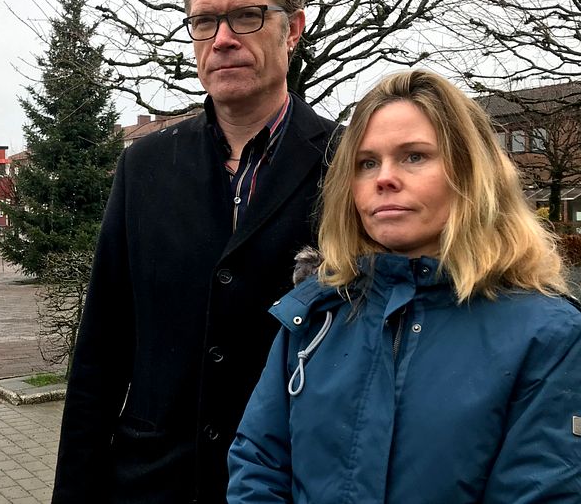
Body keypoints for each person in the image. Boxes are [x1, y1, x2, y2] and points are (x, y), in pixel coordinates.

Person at [51, 0, 339, 501]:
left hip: (291, 482)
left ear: (293, 29)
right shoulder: (145, 166)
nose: (223, 38)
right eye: (205, 21)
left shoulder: (348, 163)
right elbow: (102, 350)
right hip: (153, 483)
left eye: (247, 16)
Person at [227, 69, 581, 503]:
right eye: (367, 162)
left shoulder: (549, 335)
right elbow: (259, 462)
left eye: (414, 156)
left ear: (472, 172)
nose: (384, 178)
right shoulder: (314, 313)